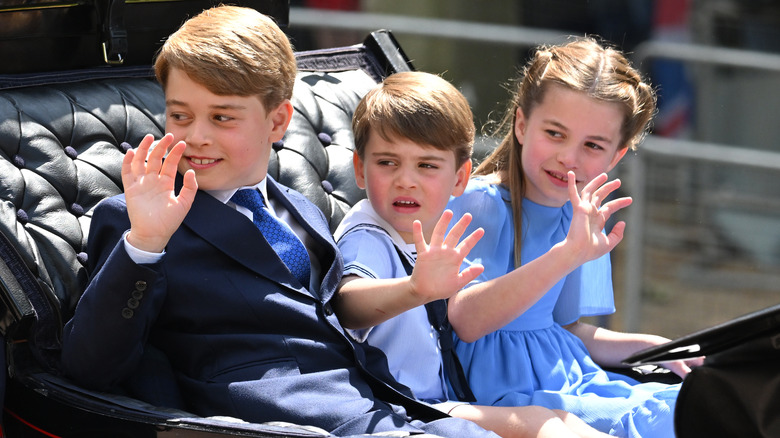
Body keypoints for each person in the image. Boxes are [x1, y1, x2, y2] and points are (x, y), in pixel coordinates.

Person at [58, 6, 499, 437]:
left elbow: (333, 315)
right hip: (277, 416)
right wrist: (146, 243)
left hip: (378, 399)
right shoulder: (138, 219)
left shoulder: (299, 207)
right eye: (180, 115)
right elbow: (89, 367)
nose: (196, 136)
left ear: (278, 121)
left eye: (222, 117)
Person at [333, 71, 624, 438]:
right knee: (545, 425)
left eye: (426, 165)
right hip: (398, 406)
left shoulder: (437, 229)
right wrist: (413, 289)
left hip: (442, 399)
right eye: (387, 162)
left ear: (459, 178)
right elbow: (345, 303)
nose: (405, 179)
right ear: (360, 169)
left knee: (552, 422)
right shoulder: (368, 232)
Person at [444, 37, 703, 437]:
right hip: (513, 397)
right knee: (674, 420)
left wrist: (654, 346)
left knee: (700, 401)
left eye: (593, 145)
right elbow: (465, 321)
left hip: (576, 381)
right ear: (521, 125)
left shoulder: (582, 214)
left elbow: (567, 329)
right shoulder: (476, 202)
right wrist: (566, 254)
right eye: (555, 133)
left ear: (616, 156)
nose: (569, 157)